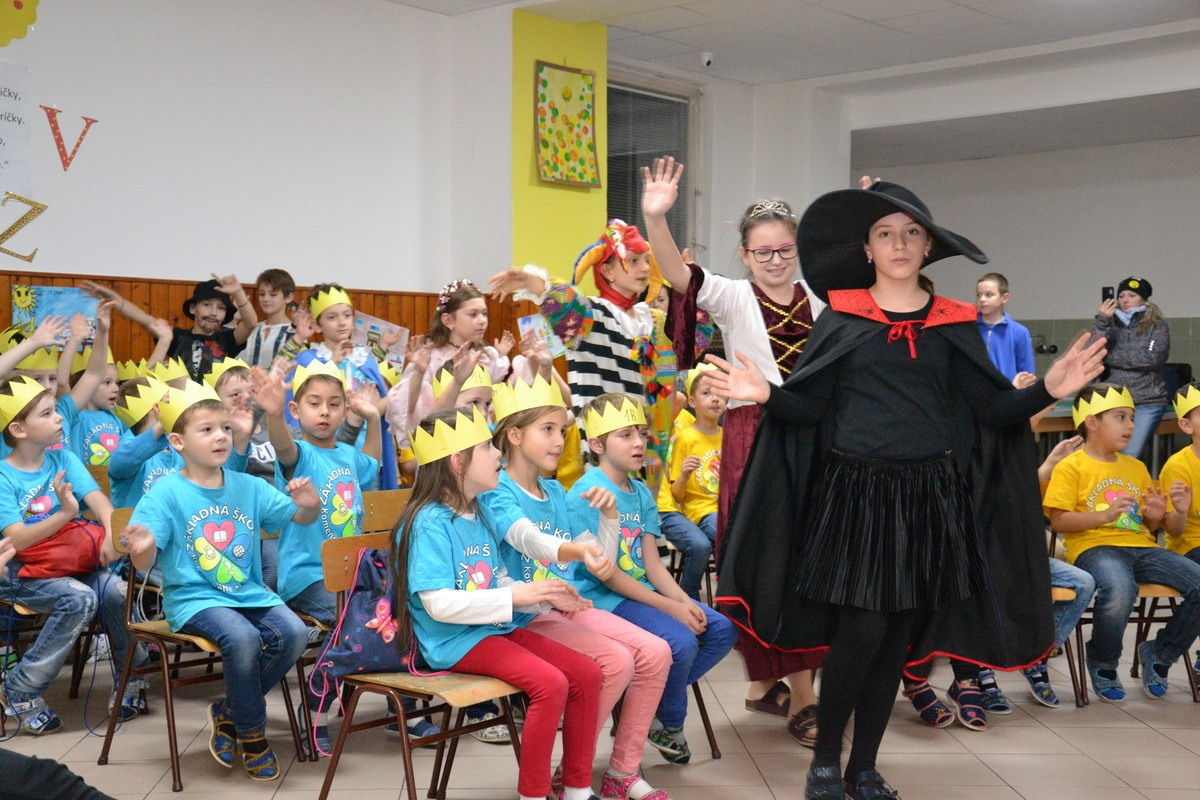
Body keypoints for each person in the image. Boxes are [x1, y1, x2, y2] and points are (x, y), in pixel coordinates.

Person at [706, 180, 1106, 799]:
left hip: (930, 499)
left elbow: (991, 412)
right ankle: (825, 765)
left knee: (898, 640)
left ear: (927, 248)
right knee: (861, 632)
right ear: (867, 248)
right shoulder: (843, 316)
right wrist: (767, 395)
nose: (899, 244)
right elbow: (809, 409)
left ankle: (863, 768)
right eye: (885, 233)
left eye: (912, 233)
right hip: (855, 497)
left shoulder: (954, 322)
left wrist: (1048, 390)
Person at [640, 157, 824, 743]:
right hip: (753, 439)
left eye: (784, 249)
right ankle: (799, 694)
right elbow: (677, 275)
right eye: (763, 251)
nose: (775, 260)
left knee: (808, 561)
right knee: (765, 561)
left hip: (814, 436)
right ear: (745, 255)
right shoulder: (734, 295)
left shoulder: (822, 299)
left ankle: (772, 684)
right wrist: (656, 218)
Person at [391, 405, 609, 800]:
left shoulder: (481, 510)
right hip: (453, 641)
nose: (498, 454)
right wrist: (516, 596)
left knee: (587, 674)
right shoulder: (427, 523)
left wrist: (543, 595)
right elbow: (438, 605)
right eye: (487, 447)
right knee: (551, 684)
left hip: (493, 629)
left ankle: (577, 790)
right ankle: (534, 794)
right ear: (458, 462)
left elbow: (498, 579)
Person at [119, 380, 318, 781]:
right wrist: (140, 548)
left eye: (225, 428)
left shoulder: (249, 486)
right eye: (207, 429)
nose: (221, 437)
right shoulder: (165, 493)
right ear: (178, 441)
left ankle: (228, 712)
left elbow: (300, 517)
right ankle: (253, 734)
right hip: (194, 599)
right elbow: (145, 560)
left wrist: (310, 505)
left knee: (295, 633)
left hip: (248, 593)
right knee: (242, 638)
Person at [486, 374, 673, 800]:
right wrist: (575, 551)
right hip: (525, 614)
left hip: (565, 605)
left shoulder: (553, 489)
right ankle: (574, 772)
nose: (559, 441)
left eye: (563, 431)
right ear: (514, 435)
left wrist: (609, 519)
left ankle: (621, 772)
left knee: (656, 652)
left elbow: (598, 558)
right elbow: (527, 538)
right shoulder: (497, 490)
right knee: (617, 661)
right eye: (548, 429)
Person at [568, 393, 736, 765]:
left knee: (721, 629)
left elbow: (653, 564)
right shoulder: (585, 493)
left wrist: (684, 602)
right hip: (604, 597)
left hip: (638, 591)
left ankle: (646, 699)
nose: (639, 443)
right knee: (681, 641)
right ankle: (669, 723)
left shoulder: (642, 492)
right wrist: (669, 608)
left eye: (641, 433)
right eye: (625, 435)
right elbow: (608, 576)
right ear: (597, 445)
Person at [0, 375, 148, 734]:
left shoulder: (64, 457)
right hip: (19, 570)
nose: (59, 418)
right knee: (80, 599)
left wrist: (111, 535)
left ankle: (131, 678)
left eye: (56, 411)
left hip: (70, 563)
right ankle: (21, 688)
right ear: (18, 429)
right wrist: (65, 514)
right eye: (47, 414)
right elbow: (17, 540)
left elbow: (100, 503)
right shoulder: (3, 475)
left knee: (116, 591)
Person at [252, 359, 379, 752]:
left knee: (393, 613)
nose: (325, 412)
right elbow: (283, 445)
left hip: (351, 574)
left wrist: (374, 419)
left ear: (344, 409)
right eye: (314, 403)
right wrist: (274, 415)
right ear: (296, 409)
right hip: (308, 576)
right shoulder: (300, 455)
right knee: (355, 620)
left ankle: (405, 706)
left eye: (334, 404)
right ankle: (316, 701)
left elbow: (372, 463)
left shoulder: (347, 454)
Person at [1044, 383, 1200, 703]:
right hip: (1095, 547)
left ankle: (1160, 652)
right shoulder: (1071, 466)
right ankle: (1104, 661)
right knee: (1119, 589)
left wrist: (1154, 516)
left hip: (1142, 547)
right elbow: (1059, 521)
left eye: (1131, 418)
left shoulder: (1136, 467)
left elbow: (1148, 526)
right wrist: (1103, 516)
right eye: (1120, 417)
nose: (1130, 425)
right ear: (1091, 422)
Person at [488, 222, 675, 488]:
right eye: (633, 261)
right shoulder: (592, 315)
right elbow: (566, 304)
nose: (644, 268)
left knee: (641, 506)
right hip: (606, 453)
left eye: (647, 260)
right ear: (607, 270)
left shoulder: (654, 320)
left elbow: (696, 339)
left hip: (648, 451)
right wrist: (533, 282)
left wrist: (687, 281)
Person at [292, 283, 399, 489]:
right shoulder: (308, 360)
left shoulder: (367, 360)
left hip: (365, 452)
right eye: (332, 317)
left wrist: (397, 393)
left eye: (347, 315)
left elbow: (379, 408)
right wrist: (333, 361)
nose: (341, 322)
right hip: (327, 455)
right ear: (318, 325)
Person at [1020, 434, 1097, 708]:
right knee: (990, 585)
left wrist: (1051, 462)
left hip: (1026, 555)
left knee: (1084, 582)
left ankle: (1038, 653)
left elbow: (1021, 491)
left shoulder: (1015, 461)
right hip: (989, 558)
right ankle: (980, 671)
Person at [84, 275, 258, 382]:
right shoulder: (176, 337)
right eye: (207, 305)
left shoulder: (227, 340)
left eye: (220, 308)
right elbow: (144, 320)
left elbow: (250, 323)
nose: (213, 313)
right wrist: (116, 299)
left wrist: (239, 292)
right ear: (193, 309)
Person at [1092, 276, 1170, 461]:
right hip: (1114, 398)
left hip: (1147, 400)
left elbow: (1153, 358)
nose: (1125, 300)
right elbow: (1093, 350)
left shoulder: (1156, 325)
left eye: (1132, 295)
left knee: (1129, 453)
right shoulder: (1110, 323)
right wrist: (1102, 320)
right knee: (1106, 451)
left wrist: (1111, 358)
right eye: (1121, 296)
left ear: (1144, 299)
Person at [665, 364, 724, 601]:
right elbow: (677, 495)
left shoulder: (728, 436)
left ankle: (730, 597)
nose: (715, 399)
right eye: (707, 393)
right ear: (692, 401)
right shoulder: (685, 438)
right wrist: (684, 475)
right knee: (727, 535)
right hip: (701, 512)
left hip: (727, 510)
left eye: (719, 393)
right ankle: (691, 599)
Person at [1161, 383, 1200, 676]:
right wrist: (1182, 510)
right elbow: (1173, 531)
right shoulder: (1178, 466)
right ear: (1186, 426)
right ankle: (1164, 652)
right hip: (1188, 545)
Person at [975, 272, 1035, 385]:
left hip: (1007, 393)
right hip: (975, 393)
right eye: (978, 295)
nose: (982, 299)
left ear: (1004, 298)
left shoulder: (1019, 332)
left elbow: (1027, 376)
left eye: (988, 295)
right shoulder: (969, 329)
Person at [240, 268, 307, 369]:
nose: (266, 299)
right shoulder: (255, 329)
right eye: (262, 294)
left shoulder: (295, 331)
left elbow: (298, 364)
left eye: (273, 294)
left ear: (288, 297)